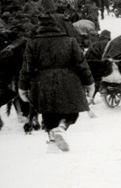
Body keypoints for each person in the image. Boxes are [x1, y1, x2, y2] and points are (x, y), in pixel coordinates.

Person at [19, 14, 94, 152]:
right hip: (69, 79)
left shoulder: (33, 42)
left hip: (42, 81)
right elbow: (81, 64)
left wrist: (22, 87)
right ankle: (61, 127)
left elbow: (27, 67)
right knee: (71, 111)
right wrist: (89, 83)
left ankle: (52, 141)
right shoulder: (69, 40)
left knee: (48, 112)